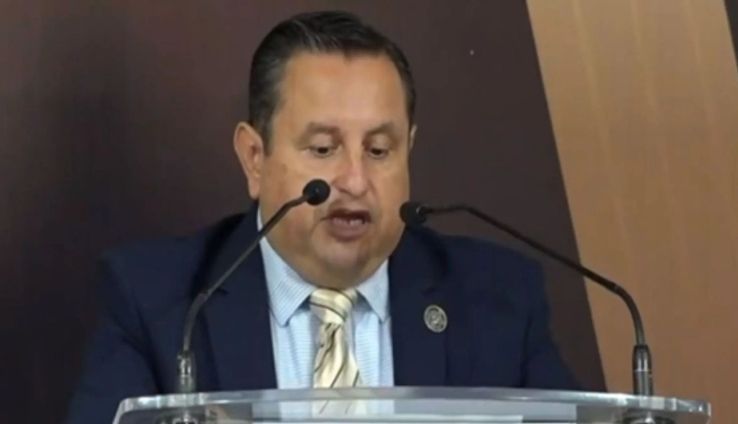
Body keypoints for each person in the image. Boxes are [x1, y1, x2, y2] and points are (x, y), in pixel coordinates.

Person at [66, 10, 578, 424]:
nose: (355, 180)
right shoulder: (159, 304)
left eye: (379, 151)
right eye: (323, 148)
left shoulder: (500, 302)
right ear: (254, 157)